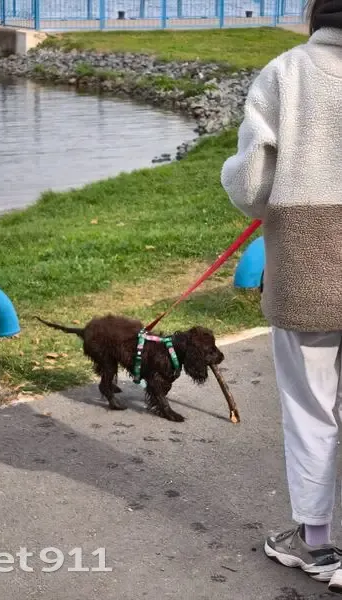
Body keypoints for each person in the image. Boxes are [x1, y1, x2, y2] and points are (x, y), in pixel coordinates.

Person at [220, 0, 342, 592]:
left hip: (307, 267)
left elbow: (250, 184)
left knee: (312, 406)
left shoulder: (287, 72)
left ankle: (317, 543)